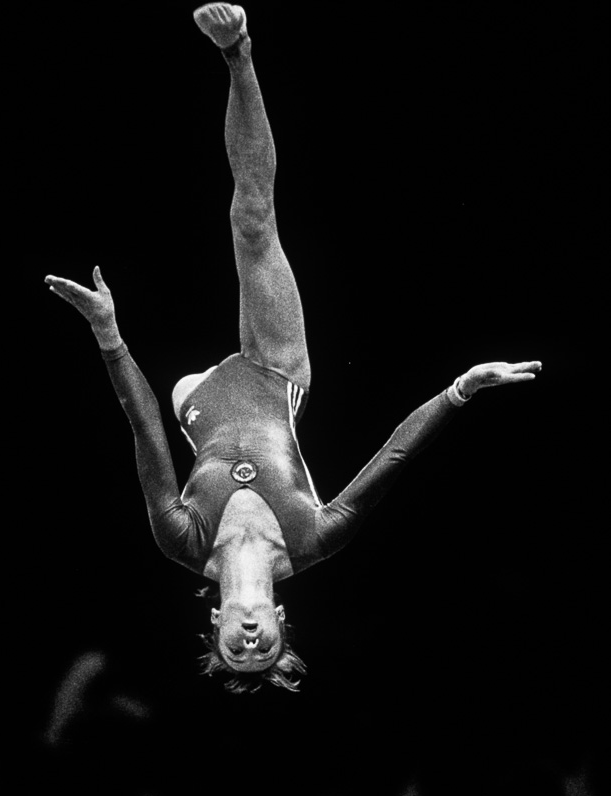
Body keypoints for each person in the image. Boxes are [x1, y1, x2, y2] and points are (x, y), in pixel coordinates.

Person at [45, 3, 541, 693]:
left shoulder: (180, 541)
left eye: (236, 649)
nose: (250, 640)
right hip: (277, 375)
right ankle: (238, 51)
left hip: (198, 406)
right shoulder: (312, 540)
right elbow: (394, 455)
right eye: (264, 647)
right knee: (251, 218)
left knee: (180, 347)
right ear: (280, 618)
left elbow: (142, 429)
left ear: (215, 625)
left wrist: (108, 334)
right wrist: (460, 390)